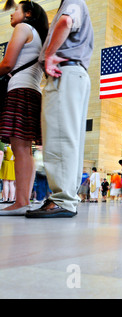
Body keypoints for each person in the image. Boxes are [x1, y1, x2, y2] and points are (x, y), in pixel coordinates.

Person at [26, 0, 94, 218]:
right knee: (70, 139)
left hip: (63, 73)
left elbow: (65, 21)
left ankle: (62, 200)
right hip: (75, 73)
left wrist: (49, 56)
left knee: (59, 136)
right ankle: (66, 197)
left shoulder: (73, 1)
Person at [0, 1, 48, 216]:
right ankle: (23, 200)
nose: (11, 15)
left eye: (16, 10)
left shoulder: (23, 28)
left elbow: (7, 64)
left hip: (19, 90)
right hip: (32, 91)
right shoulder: (38, 35)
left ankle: (20, 202)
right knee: (25, 150)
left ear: (28, 13)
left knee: (20, 149)